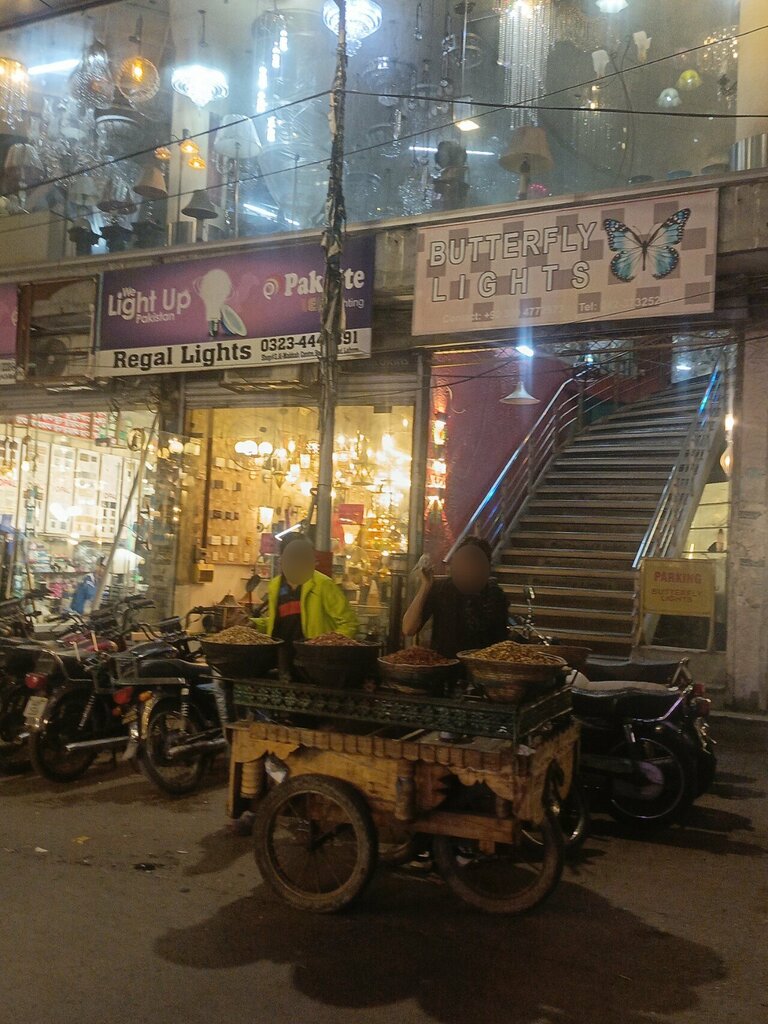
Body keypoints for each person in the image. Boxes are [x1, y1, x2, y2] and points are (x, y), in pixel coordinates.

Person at [402, 537, 509, 658]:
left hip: (482, 670)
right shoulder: (441, 588)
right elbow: (408, 628)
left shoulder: (495, 595)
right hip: (444, 668)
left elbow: (501, 644)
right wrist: (425, 585)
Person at [254, 534, 358, 643]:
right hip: (280, 654)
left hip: (311, 656)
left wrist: (327, 644)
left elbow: (349, 623)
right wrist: (255, 624)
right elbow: (275, 622)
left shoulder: (323, 584)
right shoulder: (275, 586)